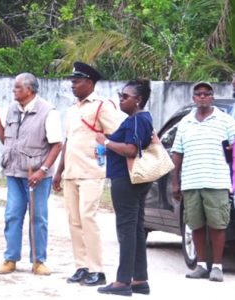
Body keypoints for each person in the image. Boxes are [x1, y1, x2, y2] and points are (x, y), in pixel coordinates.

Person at [0, 73, 62, 275]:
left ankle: (38, 261)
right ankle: (10, 258)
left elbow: (57, 145)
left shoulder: (48, 112)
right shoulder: (12, 109)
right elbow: (6, 140)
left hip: (37, 176)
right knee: (12, 215)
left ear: (29, 90)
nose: (14, 90)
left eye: (18, 87)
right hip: (14, 172)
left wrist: (42, 170)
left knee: (37, 217)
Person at [53, 62, 120, 286]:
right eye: (72, 81)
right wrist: (58, 171)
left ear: (89, 83)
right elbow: (67, 142)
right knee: (74, 221)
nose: (73, 85)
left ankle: (97, 270)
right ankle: (81, 266)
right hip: (71, 173)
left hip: (92, 171)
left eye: (77, 81)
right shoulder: (73, 110)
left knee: (88, 218)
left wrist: (105, 147)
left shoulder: (103, 106)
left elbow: (117, 135)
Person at [171, 81, 235, 282]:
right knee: (195, 224)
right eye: (198, 94)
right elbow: (177, 153)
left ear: (212, 97)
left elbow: (233, 150)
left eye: (207, 93)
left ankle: (216, 266)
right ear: (194, 98)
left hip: (217, 181)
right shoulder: (185, 123)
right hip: (191, 181)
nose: (202, 97)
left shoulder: (226, 121)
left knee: (218, 225)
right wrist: (175, 182)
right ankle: (200, 264)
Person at [95, 80, 153, 296]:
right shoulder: (140, 119)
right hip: (135, 180)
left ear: (138, 100)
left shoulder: (137, 120)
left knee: (126, 229)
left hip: (127, 180)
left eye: (125, 96)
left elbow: (130, 149)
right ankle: (139, 279)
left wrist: (106, 142)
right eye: (120, 95)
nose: (121, 98)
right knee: (136, 228)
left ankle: (123, 281)